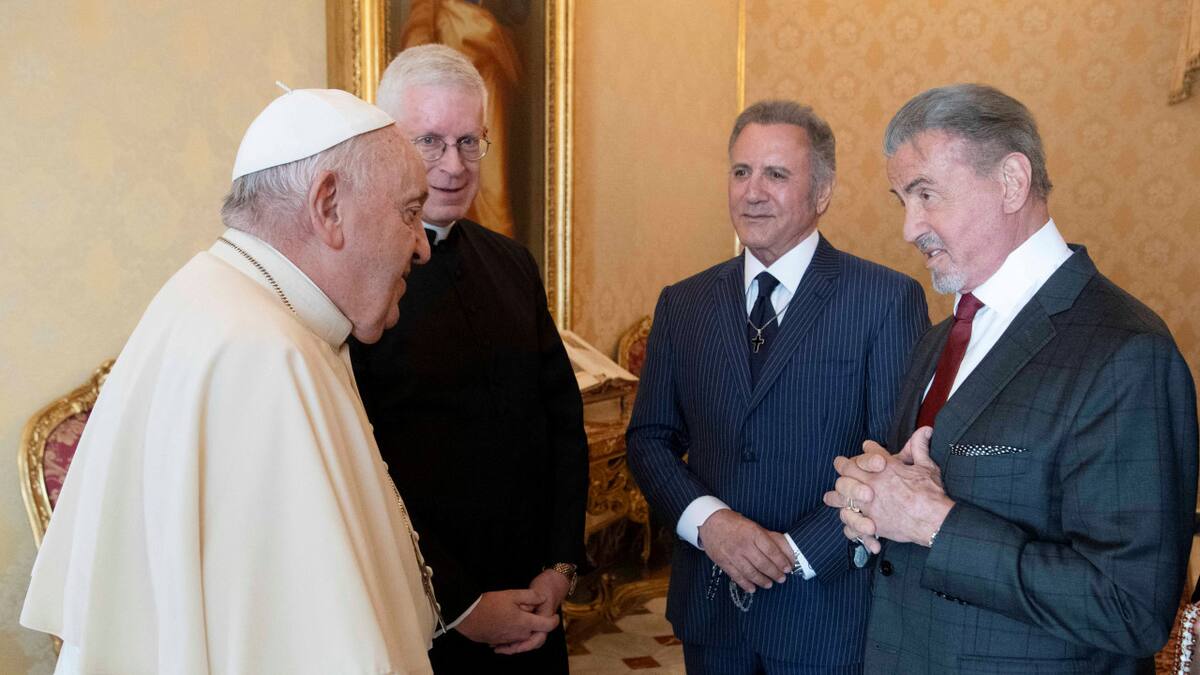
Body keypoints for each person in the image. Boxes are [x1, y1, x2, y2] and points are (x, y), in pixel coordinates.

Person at [21, 88, 439, 674]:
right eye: (410, 211)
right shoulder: (263, 356)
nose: (421, 246)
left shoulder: (221, 298)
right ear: (328, 206)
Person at [825, 83, 1198, 674]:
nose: (908, 228)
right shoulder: (939, 338)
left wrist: (934, 523)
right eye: (902, 199)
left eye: (926, 195)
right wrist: (874, 500)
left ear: (1011, 182)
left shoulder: (1127, 350)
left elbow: (1132, 607)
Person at [626, 99, 930, 674]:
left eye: (776, 174)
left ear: (822, 192)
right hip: (712, 614)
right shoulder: (683, 302)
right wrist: (709, 524)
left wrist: (797, 554)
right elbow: (648, 439)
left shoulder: (886, 300)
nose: (753, 191)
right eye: (741, 172)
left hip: (828, 612)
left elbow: (893, 459)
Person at [348, 44, 587, 674]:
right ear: (387, 145)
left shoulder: (512, 262)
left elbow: (562, 421)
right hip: (426, 617)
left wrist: (559, 567)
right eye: (429, 141)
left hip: (536, 604)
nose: (453, 166)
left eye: (469, 141)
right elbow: (364, 468)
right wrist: (460, 606)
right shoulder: (352, 285)